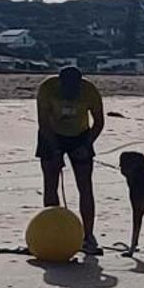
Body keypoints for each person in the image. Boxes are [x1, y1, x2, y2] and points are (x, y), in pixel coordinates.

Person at [36, 65, 105, 254]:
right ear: (60, 83)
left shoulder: (90, 91)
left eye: (74, 90)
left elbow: (99, 122)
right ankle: (51, 230)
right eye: (67, 90)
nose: (70, 95)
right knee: (50, 184)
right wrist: (55, 149)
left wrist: (86, 145)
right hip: (51, 134)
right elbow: (42, 122)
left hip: (81, 135)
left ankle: (88, 235)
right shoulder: (47, 88)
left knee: (85, 186)